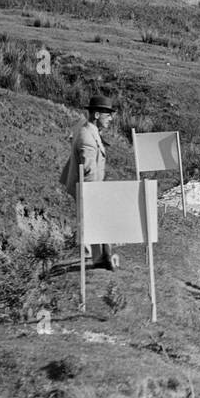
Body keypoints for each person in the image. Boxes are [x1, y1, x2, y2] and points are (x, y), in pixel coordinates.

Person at [61, 94, 119, 270]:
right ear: (96, 115)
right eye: (107, 114)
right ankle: (101, 258)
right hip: (88, 187)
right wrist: (96, 195)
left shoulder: (91, 132)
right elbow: (88, 170)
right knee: (96, 219)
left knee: (96, 220)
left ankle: (101, 257)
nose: (110, 118)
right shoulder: (87, 137)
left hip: (90, 187)